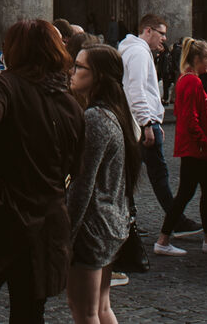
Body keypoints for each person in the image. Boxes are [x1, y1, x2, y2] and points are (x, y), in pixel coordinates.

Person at [0, 19, 85, 324]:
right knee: (28, 312)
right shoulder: (68, 101)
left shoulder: (7, 85)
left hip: (5, 216)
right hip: (47, 221)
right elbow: (77, 161)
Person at [66, 43, 135, 324]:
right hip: (110, 221)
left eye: (80, 67)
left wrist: (66, 234)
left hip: (92, 227)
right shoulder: (114, 112)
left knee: (85, 311)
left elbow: (82, 185)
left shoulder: (95, 118)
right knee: (101, 309)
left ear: (99, 75)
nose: (72, 71)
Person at [155, 36, 207, 255]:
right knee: (190, 193)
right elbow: (190, 119)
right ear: (197, 59)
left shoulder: (187, 79)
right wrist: (205, 143)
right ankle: (164, 240)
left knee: (203, 190)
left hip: (195, 147)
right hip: (196, 148)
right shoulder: (192, 81)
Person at [118, 12, 183, 227]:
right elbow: (136, 90)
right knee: (158, 174)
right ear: (148, 31)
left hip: (141, 121)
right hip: (142, 123)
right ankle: (175, 220)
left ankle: (129, 217)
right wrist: (147, 123)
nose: (164, 38)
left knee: (130, 173)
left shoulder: (135, 50)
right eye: (161, 33)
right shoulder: (138, 53)